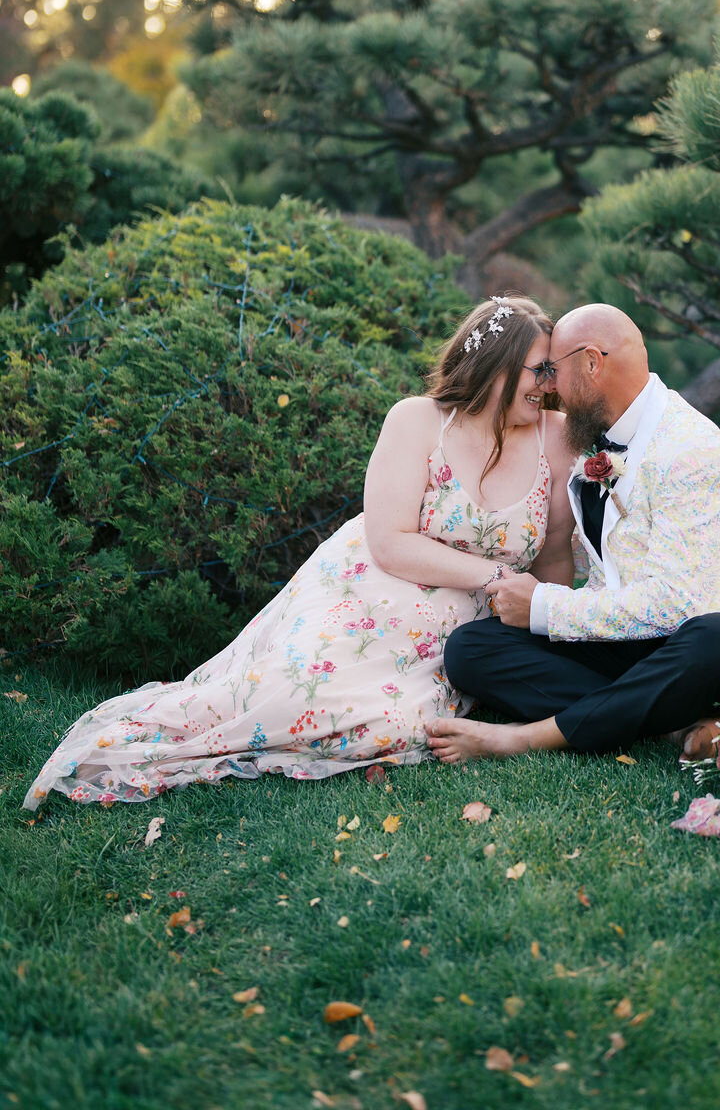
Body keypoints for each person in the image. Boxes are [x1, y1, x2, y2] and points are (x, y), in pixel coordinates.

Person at [23, 296, 576, 809]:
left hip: (463, 625)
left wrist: (555, 625)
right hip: (373, 586)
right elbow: (390, 542)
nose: (549, 384)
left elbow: (552, 556)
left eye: (551, 370)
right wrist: (495, 576)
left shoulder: (554, 436)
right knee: (290, 696)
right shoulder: (417, 419)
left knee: (393, 723)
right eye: (539, 369)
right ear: (496, 364)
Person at [427, 303, 720, 764]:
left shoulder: (690, 447)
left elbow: (675, 602)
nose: (548, 383)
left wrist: (546, 607)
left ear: (592, 363)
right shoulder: (593, 434)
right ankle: (673, 724)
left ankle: (527, 737)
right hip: (622, 638)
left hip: (699, 640)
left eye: (554, 368)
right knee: (470, 650)